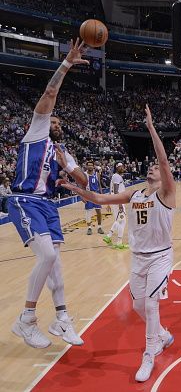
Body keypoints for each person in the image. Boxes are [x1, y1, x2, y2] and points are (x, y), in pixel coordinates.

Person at [59, 105, 175, 382]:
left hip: (160, 256)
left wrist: (150, 128)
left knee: (150, 306)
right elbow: (99, 200)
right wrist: (77, 190)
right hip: (138, 257)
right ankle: (163, 335)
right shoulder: (134, 195)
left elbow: (163, 160)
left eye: (155, 168)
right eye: (150, 167)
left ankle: (149, 355)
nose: (152, 169)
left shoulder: (167, 194)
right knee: (137, 307)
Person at [7, 39, 89, 349]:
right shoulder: (36, 131)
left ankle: (62, 318)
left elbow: (84, 182)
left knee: (57, 268)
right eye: (52, 119)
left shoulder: (62, 150)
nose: (54, 122)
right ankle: (26, 320)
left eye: (57, 121)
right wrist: (67, 63)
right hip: (25, 199)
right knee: (48, 255)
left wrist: (68, 167)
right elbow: (50, 93)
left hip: (48, 205)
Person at [103, 162, 128, 249]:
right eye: (120, 167)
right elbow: (116, 191)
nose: (122, 168)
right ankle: (118, 241)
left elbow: (111, 191)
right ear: (116, 168)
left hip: (115, 200)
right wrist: (120, 203)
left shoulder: (115, 176)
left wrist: (109, 203)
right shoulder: (117, 176)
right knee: (122, 221)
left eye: (122, 166)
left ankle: (109, 236)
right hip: (118, 200)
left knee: (119, 220)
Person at [84, 161, 103, 235]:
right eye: (88, 165)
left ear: (93, 166)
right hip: (88, 195)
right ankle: (89, 228)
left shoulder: (97, 174)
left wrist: (101, 194)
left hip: (96, 195)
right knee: (88, 212)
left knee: (99, 211)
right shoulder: (84, 174)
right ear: (86, 166)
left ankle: (99, 227)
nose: (90, 166)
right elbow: (81, 185)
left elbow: (99, 185)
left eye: (91, 165)